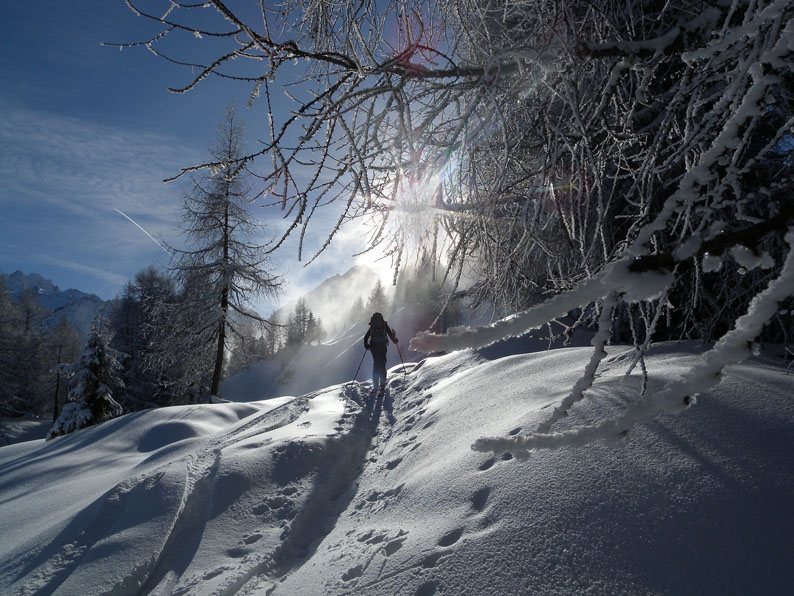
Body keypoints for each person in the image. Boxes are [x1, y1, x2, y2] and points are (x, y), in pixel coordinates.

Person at [363, 312, 398, 395]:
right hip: (383, 347)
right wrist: (395, 340)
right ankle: (382, 386)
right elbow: (390, 334)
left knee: (376, 364)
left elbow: (366, 337)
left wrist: (367, 346)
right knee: (382, 364)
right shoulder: (384, 325)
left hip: (373, 348)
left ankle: (375, 388)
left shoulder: (372, 326)